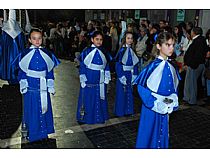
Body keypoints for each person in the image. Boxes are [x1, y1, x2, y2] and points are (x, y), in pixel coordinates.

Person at [134, 32, 180, 148]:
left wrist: (173, 99)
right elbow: (141, 87)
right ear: (159, 46)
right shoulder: (152, 66)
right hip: (152, 108)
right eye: (168, 45)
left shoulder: (172, 66)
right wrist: (154, 103)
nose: (171, 48)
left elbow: (174, 86)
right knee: (148, 134)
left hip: (165, 107)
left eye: (173, 45)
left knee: (162, 132)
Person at [15, 28, 60, 142]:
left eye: (39, 38)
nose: (37, 41)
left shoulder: (47, 53)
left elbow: (49, 70)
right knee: (32, 110)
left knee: (44, 108)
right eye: (34, 38)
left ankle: (44, 131)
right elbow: (22, 70)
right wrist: (23, 82)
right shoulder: (24, 54)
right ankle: (33, 132)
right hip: (31, 87)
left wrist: (50, 83)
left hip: (43, 86)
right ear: (30, 40)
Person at [76, 31, 112, 124]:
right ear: (92, 40)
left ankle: (99, 117)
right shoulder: (86, 51)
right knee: (88, 98)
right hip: (89, 77)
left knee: (100, 98)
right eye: (97, 39)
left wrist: (107, 75)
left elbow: (106, 64)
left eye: (101, 40)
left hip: (100, 78)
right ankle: (86, 117)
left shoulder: (104, 51)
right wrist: (82, 77)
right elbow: (82, 65)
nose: (99, 41)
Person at [114, 31, 139, 117]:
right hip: (123, 74)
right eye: (128, 38)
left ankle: (128, 110)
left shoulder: (132, 50)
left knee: (129, 92)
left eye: (131, 38)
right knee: (121, 93)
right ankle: (120, 111)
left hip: (130, 74)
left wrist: (135, 74)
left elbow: (135, 64)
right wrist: (121, 76)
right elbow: (118, 64)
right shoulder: (121, 51)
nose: (130, 40)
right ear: (124, 39)